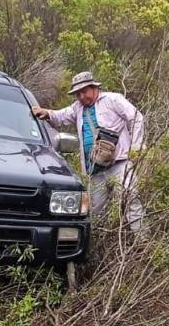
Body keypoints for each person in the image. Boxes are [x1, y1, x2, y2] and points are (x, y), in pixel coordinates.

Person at [32, 71, 145, 232]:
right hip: (95, 170)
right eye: (78, 94)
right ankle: (98, 246)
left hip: (120, 163)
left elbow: (136, 118)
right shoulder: (77, 108)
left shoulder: (113, 99)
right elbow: (60, 116)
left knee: (130, 200)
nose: (82, 96)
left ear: (94, 87)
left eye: (84, 91)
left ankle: (141, 242)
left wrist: (135, 148)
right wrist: (47, 113)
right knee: (96, 212)